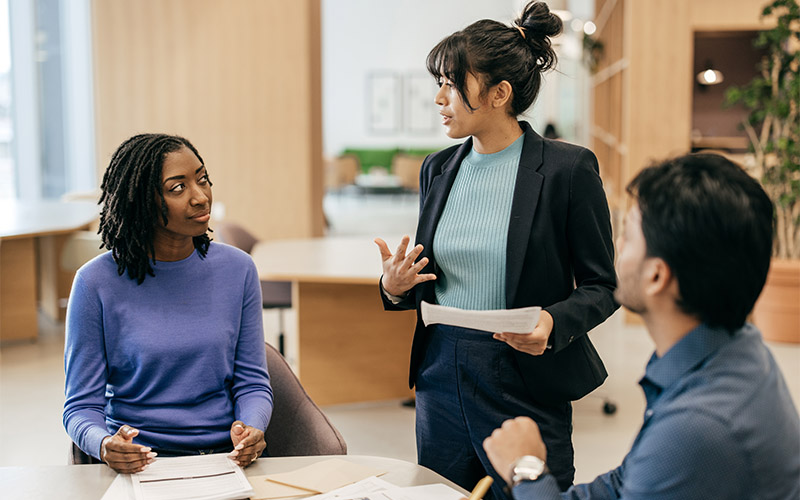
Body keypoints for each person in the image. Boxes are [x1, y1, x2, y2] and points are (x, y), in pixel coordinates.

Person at [374, 2, 617, 497]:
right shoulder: (437, 168)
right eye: (438, 83)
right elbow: (426, 278)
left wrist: (553, 322)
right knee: (442, 491)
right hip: (442, 371)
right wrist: (394, 286)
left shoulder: (567, 170)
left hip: (523, 372)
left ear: (499, 93)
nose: (440, 98)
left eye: (451, 84)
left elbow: (603, 285)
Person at [483, 153, 800, 499]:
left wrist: (526, 469)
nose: (618, 246)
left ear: (657, 275)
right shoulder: (736, 349)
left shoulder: (694, 429)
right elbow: (627, 480)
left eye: (629, 236)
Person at [63, 134, 273, 473]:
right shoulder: (94, 283)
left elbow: (252, 380)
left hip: (222, 459)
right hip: (140, 462)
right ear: (141, 202)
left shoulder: (238, 269)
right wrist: (104, 445)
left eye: (202, 179)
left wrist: (252, 427)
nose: (201, 197)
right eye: (177, 188)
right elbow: (79, 407)